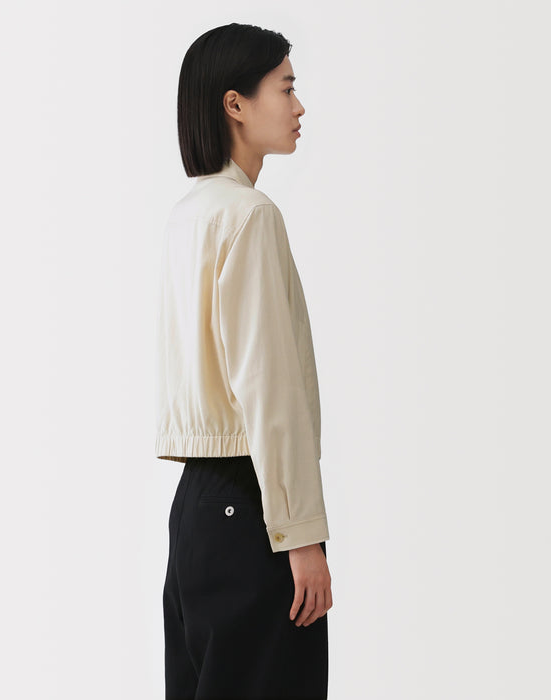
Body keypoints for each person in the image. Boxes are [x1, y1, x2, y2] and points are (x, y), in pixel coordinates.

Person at [155, 22, 332, 700]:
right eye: (285, 88)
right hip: (252, 507)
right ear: (235, 104)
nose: (298, 106)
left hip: (196, 512)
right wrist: (302, 535)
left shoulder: (189, 215)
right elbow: (268, 387)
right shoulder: (251, 216)